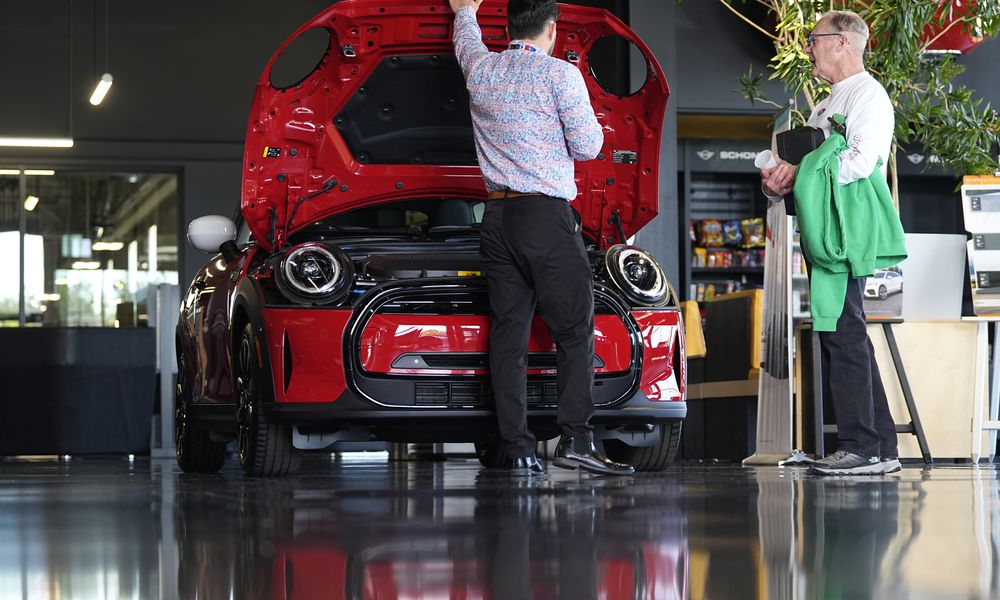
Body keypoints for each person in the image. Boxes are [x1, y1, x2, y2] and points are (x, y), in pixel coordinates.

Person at [448, 0, 634, 475]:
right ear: (552, 28)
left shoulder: (482, 69)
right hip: (545, 218)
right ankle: (575, 439)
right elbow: (589, 146)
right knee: (573, 332)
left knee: (508, 337)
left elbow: (465, 43)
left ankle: (517, 448)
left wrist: (465, 10)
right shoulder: (560, 76)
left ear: (510, 26)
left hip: (496, 219)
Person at [760, 10, 906, 476]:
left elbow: (860, 163)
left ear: (842, 42)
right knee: (843, 330)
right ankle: (880, 447)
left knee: (843, 330)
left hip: (848, 228)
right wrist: (778, 181)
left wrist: (802, 172)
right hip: (826, 229)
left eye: (814, 39)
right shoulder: (825, 105)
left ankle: (860, 446)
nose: (808, 48)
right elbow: (812, 166)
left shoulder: (868, 95)